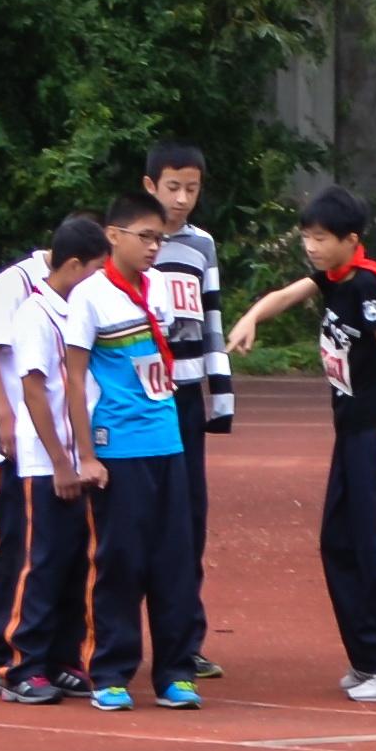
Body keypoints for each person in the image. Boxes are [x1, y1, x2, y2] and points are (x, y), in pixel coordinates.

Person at [228, 186, 376, 700]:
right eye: (306, 237)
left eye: (320, 238)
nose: (310, 246)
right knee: (339, 543)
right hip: (348, 433)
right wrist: (250, 317)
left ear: (350, 240)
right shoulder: (332, 279)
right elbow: (286, 296)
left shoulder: (366, 287)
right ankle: (368, 658)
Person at [73, 197, 199, 713]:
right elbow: (72, 375)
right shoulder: (90, 296)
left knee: (174, 562)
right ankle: (110, 672)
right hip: (117, 446)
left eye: (158, 239)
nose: (152, 247)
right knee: (119, 560)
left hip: (166, 441)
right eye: (144, 236)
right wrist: (85, 454)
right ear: (113, 235)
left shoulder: (160, 290)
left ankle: (175, 671)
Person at [0, 219, 115, 707]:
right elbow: (34, 391)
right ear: (73, 266)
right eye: (96, 270)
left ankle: (63, 657)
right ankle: (23, 663)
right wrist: (61, 462)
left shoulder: (76, 310)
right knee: (41, 562)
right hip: (47, 461)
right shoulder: (35, 314)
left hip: (77, 456)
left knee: (73, 560)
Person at [139, 142, 232, 683]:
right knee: (135, 523)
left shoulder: (202, 246)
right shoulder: (130, 240)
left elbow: (213, 320)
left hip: (185, 400)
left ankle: (185, 639)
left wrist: (219, 400)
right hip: (139, 399)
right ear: (151, 185)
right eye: (172, 187)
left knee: (187, 519)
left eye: (192, 188)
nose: (182, 198)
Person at [0, 234, 62, 699]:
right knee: (9, 546)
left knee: (55, 553)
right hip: (19, 446)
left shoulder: (87, 284)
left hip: (64, 448)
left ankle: (47, 653)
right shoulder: (16, 283)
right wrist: (5, 417)